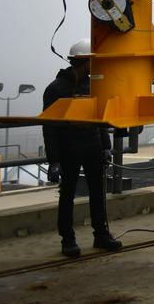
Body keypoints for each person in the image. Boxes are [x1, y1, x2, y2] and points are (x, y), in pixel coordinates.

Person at [43, 39, 123, 257]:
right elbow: (50, 126)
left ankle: (102, 235)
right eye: (92, 62)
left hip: (92, 146)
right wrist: (54, 160)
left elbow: (99, 119)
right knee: (67, 194)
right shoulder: (56, 89)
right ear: (84, 61)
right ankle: (68, 240)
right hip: (68, 149)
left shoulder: (93, 86)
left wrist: (105, 146)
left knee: (98, 192)